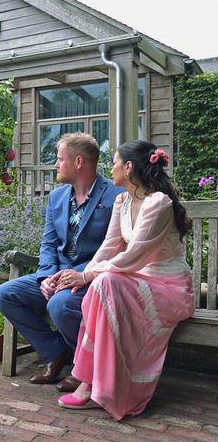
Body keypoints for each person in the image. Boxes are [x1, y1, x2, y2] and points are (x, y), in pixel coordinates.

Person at [56, 140, 194, 420]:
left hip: (169, 287)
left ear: (129, 168)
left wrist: (87, 274)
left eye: (115, 163)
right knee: (102, 284)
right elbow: (108, 247)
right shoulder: (122, 200)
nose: (111, 169)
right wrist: (83, 278)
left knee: (106, 282)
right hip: (139, 282)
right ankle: (91, 381)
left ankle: (99, 386)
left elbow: (134, 257)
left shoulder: (159, 203)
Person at [0, 133, 124, 392]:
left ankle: (85, 366)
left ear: (78, 161)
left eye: (59, 159)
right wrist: (45, 278)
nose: (55, 164)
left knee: (60, 305)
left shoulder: (116, 196)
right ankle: (56, 352)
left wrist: (77, 274)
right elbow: (49, 244)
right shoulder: (57, 198)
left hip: (91, 277)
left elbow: (117, 247)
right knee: (5, 294)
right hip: (57, 275)